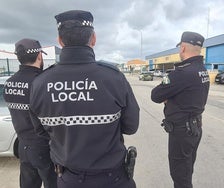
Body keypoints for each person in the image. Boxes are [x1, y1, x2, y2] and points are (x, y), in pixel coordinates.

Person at [29, 10, 140, 188]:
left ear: (60, 40)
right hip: (114, 179)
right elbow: (131, 126)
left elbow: (41, 131)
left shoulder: (40, 83)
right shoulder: (113, 78)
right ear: (93, 39)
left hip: (69, 179)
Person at [151, 31, 210, 188]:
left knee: (180, 175)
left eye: (179, 49)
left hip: (182, 131)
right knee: (187, 170)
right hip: (195, 127)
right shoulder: (202, 70)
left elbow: (155, 95)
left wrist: (169, 99)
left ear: (183, 48)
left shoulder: (182, 73)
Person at [3, 39, 57, 188]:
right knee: (53, 183)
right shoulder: (41, 83)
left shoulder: (9, 83)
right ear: (39, 56)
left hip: (23, 146)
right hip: (44, 148)